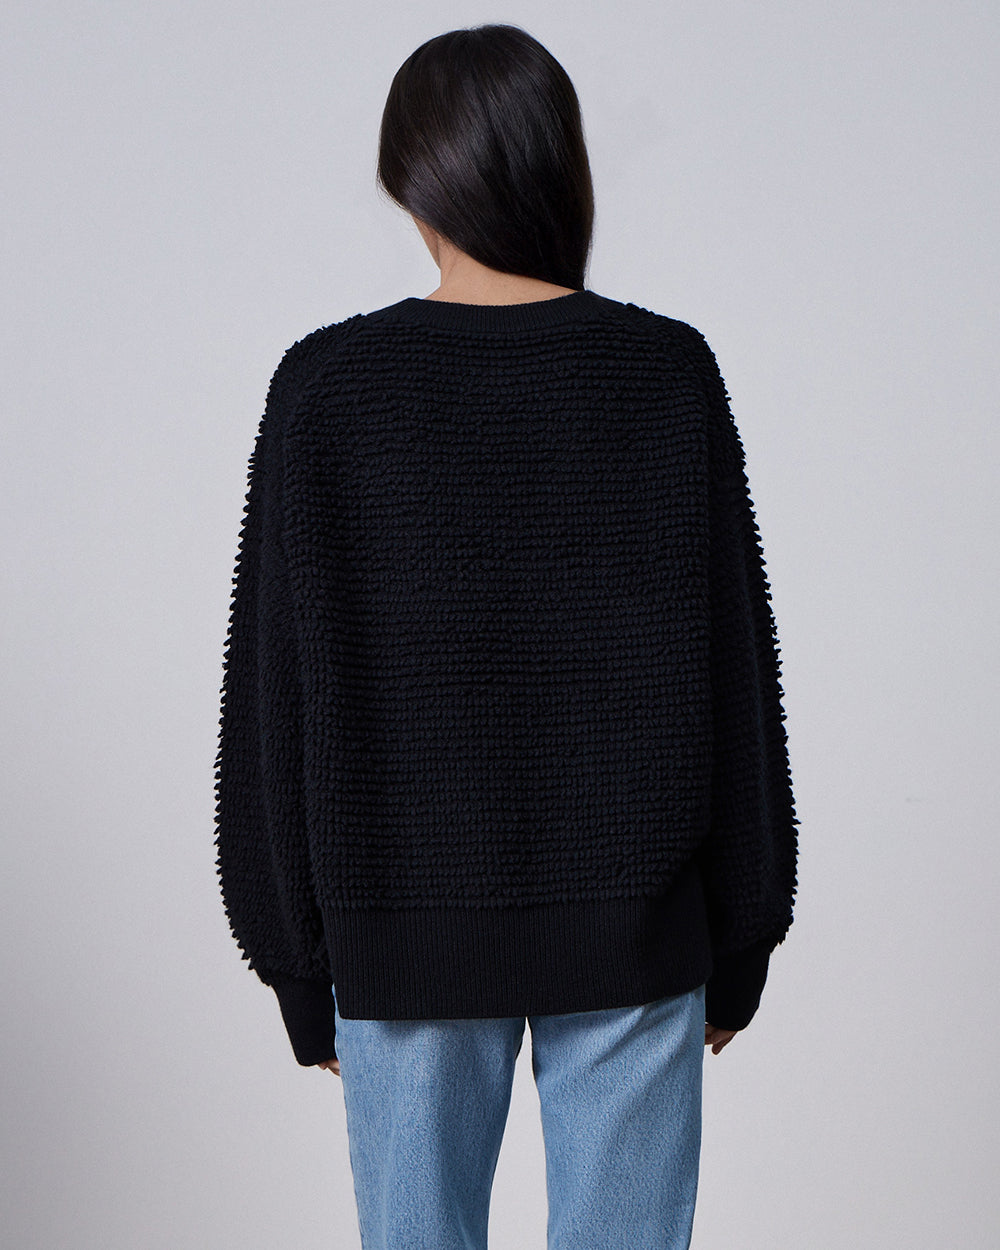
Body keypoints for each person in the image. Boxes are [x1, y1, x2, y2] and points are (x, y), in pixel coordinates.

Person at [213, 22, 798, 1250]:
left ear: (409, 178)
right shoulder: (663, 372)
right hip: (638, 925)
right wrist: (740, 933)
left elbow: (271, 700)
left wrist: (297, 961)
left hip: (399, 930)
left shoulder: (326, 388)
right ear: (558, 166)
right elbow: (739, 680)